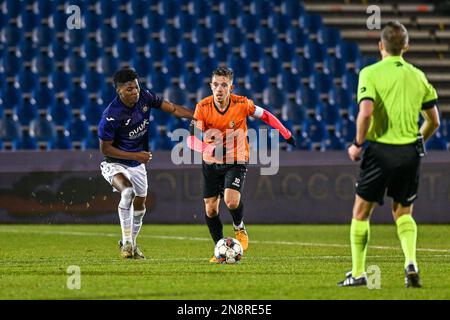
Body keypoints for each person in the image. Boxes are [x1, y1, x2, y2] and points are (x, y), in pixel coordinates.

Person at [338, 21, 440, 287]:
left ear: (380, 45)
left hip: (381, 151)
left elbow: (367, 112)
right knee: (403, 213)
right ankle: (411, 263)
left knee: (361, 212)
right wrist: (419, 139)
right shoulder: (418, 76)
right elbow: (434, 121)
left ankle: (359, 274)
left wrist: (357, 144)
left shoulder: (370, 73)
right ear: (406, 46)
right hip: (410, 152)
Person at [187, 67, 296, 263]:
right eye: (216, 84)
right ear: (210, 86)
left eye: (224, 85)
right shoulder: (202, 107)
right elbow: (191, 140)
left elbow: (265, 115)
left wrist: (285, 132)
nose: (219, 89)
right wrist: (210, 150)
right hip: (211, 162)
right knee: (210, 209)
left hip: (236, 159)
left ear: (231, 87)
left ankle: (239, 227)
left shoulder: (242, 103)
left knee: (231, 201)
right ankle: (220, 249)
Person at [98, 67, 194, 259]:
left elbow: (173, 108)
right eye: (129, 89)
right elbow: (105, 149)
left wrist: (197, 116)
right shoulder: (111, 115)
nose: (134, 92)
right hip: (115, 163)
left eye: (136, 87)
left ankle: (132, 244)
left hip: (137, 164)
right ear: (119, 91)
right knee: (127, 191)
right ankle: (126, 243)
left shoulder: (145, 97)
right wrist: (135, 156)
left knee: (141, 207)